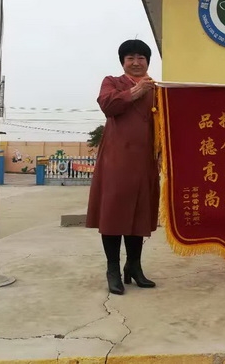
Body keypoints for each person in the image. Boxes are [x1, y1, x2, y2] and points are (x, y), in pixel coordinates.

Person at [86, 39, 159, 295]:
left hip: (145, 160)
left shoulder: (157, 89)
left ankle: (134, 266)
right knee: (113, 214)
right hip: (117, 159)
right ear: (123, 62)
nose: (136, 62)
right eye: (130, 58)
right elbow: (107, 105)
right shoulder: (112, 82)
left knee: (140, 214)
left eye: (141, 58)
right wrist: (135, 91)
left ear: (147, 62)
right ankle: (113, 270)